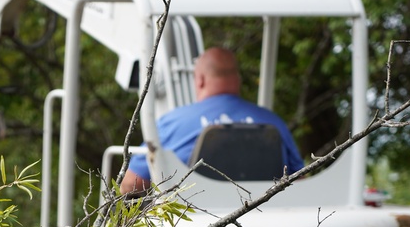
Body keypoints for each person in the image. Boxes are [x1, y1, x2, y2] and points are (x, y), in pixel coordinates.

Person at [120, 47, 304, 195]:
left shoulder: (171, 124)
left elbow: (130, 185)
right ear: (237, 79)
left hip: (192, 225)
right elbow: (300, 180)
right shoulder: (273, 123)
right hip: (267, 223)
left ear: (200, 80)